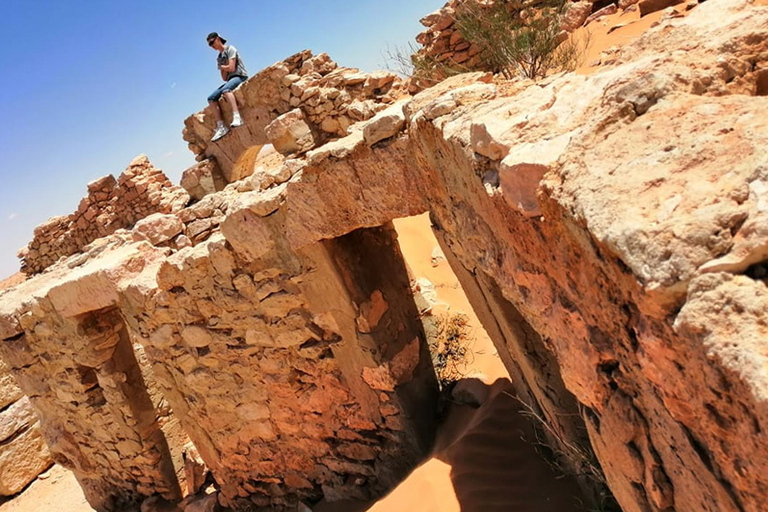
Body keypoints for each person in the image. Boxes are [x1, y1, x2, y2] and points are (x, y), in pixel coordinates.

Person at [206, 32, 248, 142]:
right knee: (211, 98)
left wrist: (223, 67)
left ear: (218, 39)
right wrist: (225, 67)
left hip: (240, 76)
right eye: (209, 45)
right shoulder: (219, 57)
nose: (212, 46)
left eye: (212, 42)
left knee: (226, 90)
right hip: (230, 80)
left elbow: (232, 68)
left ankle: (237, 117)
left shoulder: (230, 49)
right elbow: (224, 78)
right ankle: (221, 126)